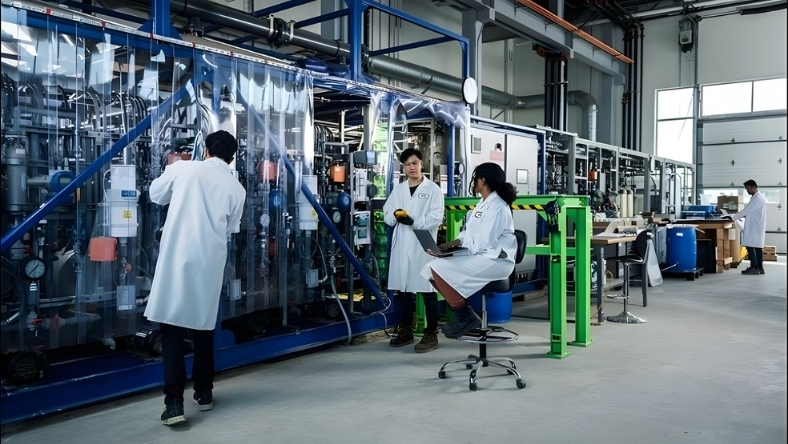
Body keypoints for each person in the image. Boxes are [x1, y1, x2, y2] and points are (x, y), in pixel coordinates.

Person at [144, 130, 246, 425]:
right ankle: (204, 392)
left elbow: (155, 195)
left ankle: (174, 403)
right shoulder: (236, 188)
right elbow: (230, 229)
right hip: (209, 262)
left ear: (206, 150)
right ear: (232, 157)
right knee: (204, 326)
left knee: (172, 329)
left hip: (178, 257)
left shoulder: (183, 168)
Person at [421, 162, 518, 339]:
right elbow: (470, 232)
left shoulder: (498, 206)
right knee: (430, 269)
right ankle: (464, 314)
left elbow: (485, 242)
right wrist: (453, 244)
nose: (474, 183)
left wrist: (458, 252)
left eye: (475, 179)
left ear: (482, 181)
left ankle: (463, 316)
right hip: (481, 254)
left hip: (496, 261)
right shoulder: (483, 203)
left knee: (438, 268)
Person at [382, 148, 444, 352]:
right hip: (402, 243)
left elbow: (437, 216)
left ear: (421, 164)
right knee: (404, 289)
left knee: (427, 289)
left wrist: (414, 221)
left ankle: (431, 334)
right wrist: (396, 217)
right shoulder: (399, 189)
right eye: (408, 164)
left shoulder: (433, 189)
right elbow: (387, 211)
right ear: (404, 167)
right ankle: (406, 331)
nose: (412, 167)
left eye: (415, 163)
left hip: (423, 242)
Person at [730, 179, 767, 275]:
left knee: (751, 246)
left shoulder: (758, 198)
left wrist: (734, 217)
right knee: (757, 248)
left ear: (754, 187)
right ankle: (760, 268)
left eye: (748, 189)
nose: (747, 191)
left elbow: (747, 210)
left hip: (754, 226)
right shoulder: (757, 197)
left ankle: (754, 268)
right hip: (756, 225)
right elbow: (749, 211)